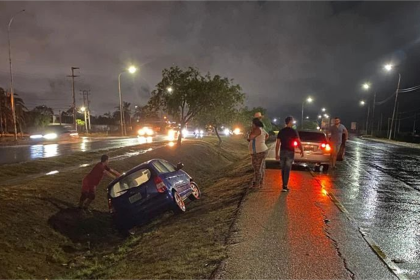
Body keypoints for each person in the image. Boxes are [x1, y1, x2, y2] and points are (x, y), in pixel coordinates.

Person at [275, 116, 304, 192]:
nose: (293, 123)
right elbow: (298, 141)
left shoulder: (281, 131)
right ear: (290, 122)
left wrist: (276, 154)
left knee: (283, 168)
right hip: (290, 152)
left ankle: (284, 185)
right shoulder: (293, 131)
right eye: (292, 121)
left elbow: (278, 143)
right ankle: (284, 186)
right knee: (287, 168)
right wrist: (302, 150)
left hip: (282, 151)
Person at [248, 118, 269, 188]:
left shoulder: (256, 129)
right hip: (262, 150)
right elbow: (267, 135)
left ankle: (257, 184)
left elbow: (250, 137)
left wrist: (252, 130)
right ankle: (260, 183)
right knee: (261, 167)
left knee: (257, 168)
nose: (251, 125)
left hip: (258, 152)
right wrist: (262, 141)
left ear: (254, 123)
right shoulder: (262, 129)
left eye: (252, 124)